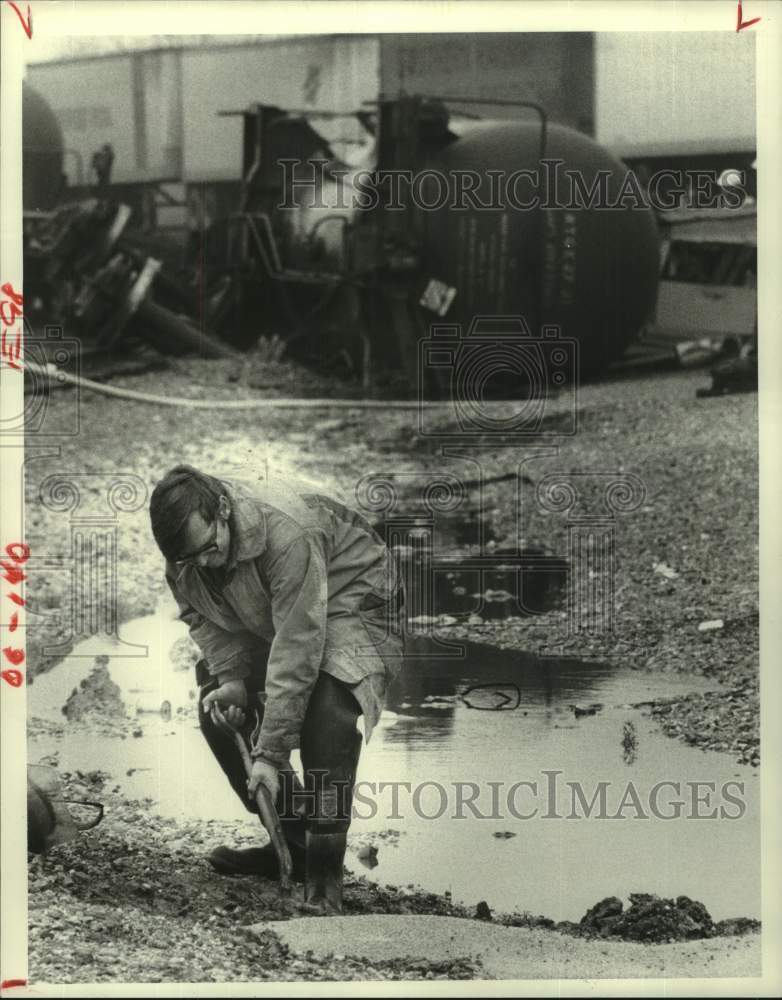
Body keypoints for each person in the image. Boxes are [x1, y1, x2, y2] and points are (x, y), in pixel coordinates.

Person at [149, 465, 404, 914]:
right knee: (218, 709)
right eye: (190, 559)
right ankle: (293, 846)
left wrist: (270, 755)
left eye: (210, 549)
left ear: (223, 510)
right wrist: (231, 680)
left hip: (355, 599)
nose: (202, 564)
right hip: (268, 604)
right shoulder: (187, 552)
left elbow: (298, 644)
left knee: (327, 712)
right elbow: (199, 615)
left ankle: (325, 882)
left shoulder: (287, 534)